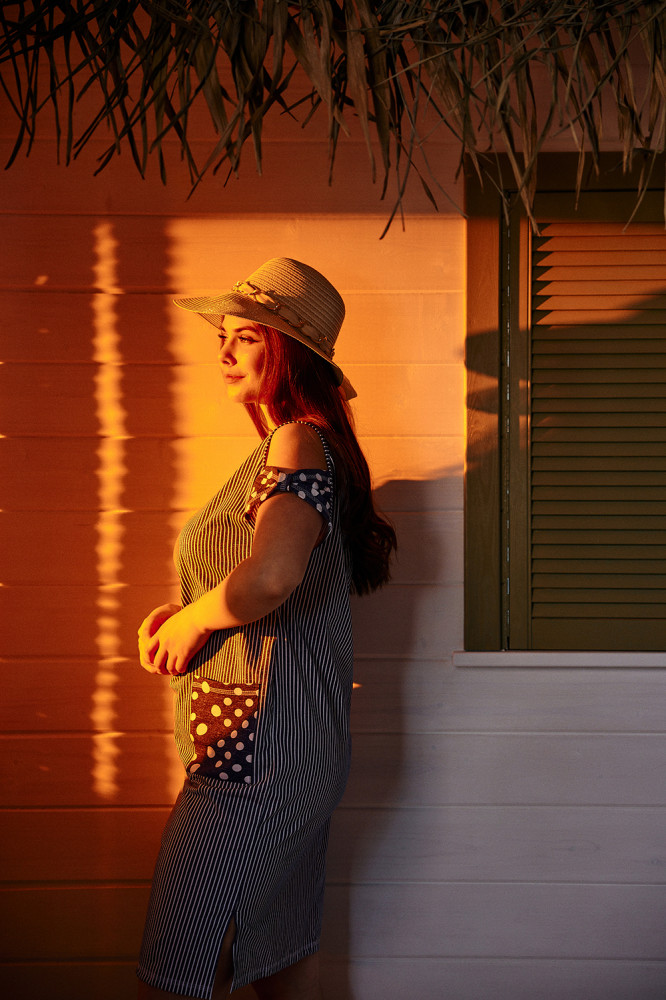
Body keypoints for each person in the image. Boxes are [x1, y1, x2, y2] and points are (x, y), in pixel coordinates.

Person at [135, 258, 396, 1000]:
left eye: (245, 336)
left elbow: (274, 577)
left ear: (288, 353)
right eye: (223, 335)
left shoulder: (296, 442)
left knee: (179, 964)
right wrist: (190, 610)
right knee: (277, 953)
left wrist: (195, 620)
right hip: (290, 743)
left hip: (258, 753)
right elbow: (270, 579)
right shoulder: (311, 444)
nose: (223, 351)